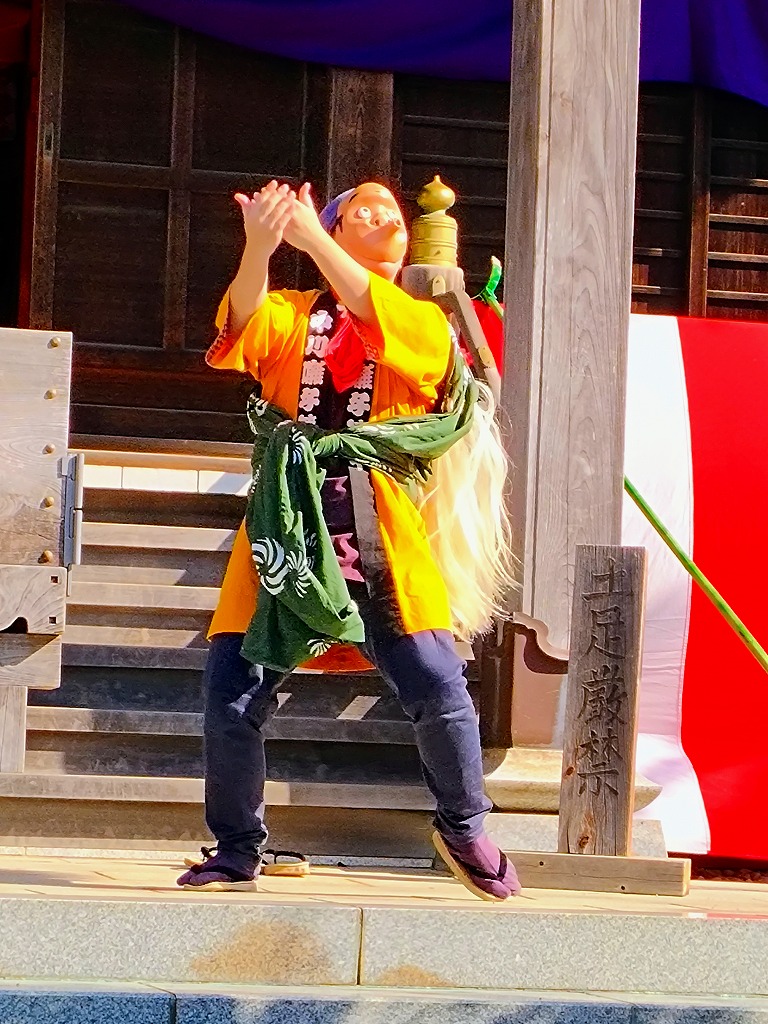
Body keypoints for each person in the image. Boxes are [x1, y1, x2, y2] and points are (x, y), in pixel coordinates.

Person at [177, 179, 520, 901]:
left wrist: (313, 240)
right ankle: (237, 846)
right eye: (360, 207)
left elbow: (370, 305)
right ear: (331, 223)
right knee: (232, 696)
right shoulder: (295, 314)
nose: (380, 214)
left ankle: (464, 826)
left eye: (389, 211)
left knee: (438, 685)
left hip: (378, 522)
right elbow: (242, 327)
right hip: (289, 520)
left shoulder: (423, 322)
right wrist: (261, 247)